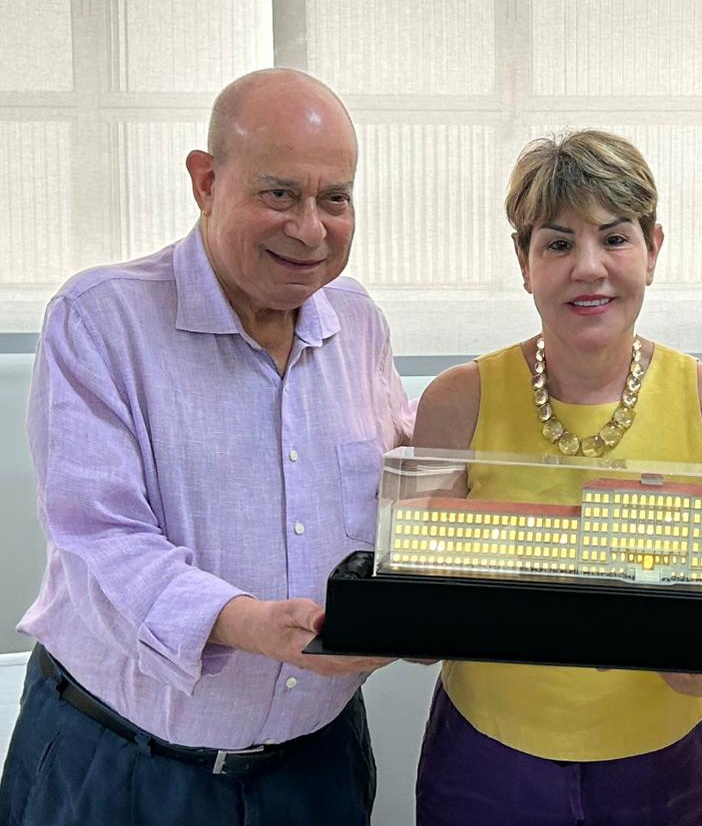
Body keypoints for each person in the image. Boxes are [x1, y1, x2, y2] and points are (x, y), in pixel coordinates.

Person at [0, 69, 413, 826]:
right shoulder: (101, 320)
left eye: (335, 198)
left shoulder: (357, 321)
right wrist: (247, 624)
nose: (311, 229)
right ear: (206, 181)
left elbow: (406, 487)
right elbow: (101, 541)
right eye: (280, 194)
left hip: (315, 771)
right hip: (121, 767)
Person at [412, 130, 702, 826]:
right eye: (558, 244)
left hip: (665, 764)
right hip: (487, 763)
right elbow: (416, 622)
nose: (589, 268)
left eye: (614, 238)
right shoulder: (457, 401)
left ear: (653, 249)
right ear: (524, 262)